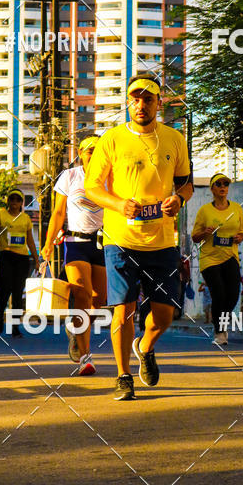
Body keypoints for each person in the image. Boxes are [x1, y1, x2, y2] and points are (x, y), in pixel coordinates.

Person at [85, 73, 193, 401]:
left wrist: (179, 199)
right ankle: (123, 375)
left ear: (159, 103)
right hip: (120, 238)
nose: (141, 104)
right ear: (127, 102)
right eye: (135, 98)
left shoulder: (174, 138)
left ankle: (145, 346)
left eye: (148, 98)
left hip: (161, 241)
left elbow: (186, 184)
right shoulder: (112, 139)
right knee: (123, 310)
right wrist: (118, 203)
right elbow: (92, 187)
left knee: (163, 316)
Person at [42, 135, 106, 377]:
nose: (94, 154)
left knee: (99, 300)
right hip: (75, 242)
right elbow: (58, 213)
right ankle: (85, 355)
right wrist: (48, 244)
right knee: (82, 294)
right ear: (81, 153)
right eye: (90, 151)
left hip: (103, 243)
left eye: (99, 151)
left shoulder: (111, 178)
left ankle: (75, 330)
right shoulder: (70, 176)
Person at [192, 174, 243, 346]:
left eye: (226, 184)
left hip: (230, 256)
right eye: (219, 184)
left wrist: (239, 237)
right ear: (212, 188)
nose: (223, 186)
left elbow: (242, 232)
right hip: (210, 259)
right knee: (219, 294)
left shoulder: (237, 208)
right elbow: (194, 237)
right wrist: (205, 233)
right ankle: (219, 332)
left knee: (233, 295)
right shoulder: (204, 211)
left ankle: (221, 320)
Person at [0, 189, 39, 336]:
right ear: (8, 201)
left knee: (18, 292)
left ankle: (15, 326)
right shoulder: (0, 215)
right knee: (5, 289)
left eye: (18, 200)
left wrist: (36, 259)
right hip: (5, 255)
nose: (14, 202)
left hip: (22, 258)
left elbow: (30, 240)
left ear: (21, 203)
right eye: (12, 199)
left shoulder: (26, 219)